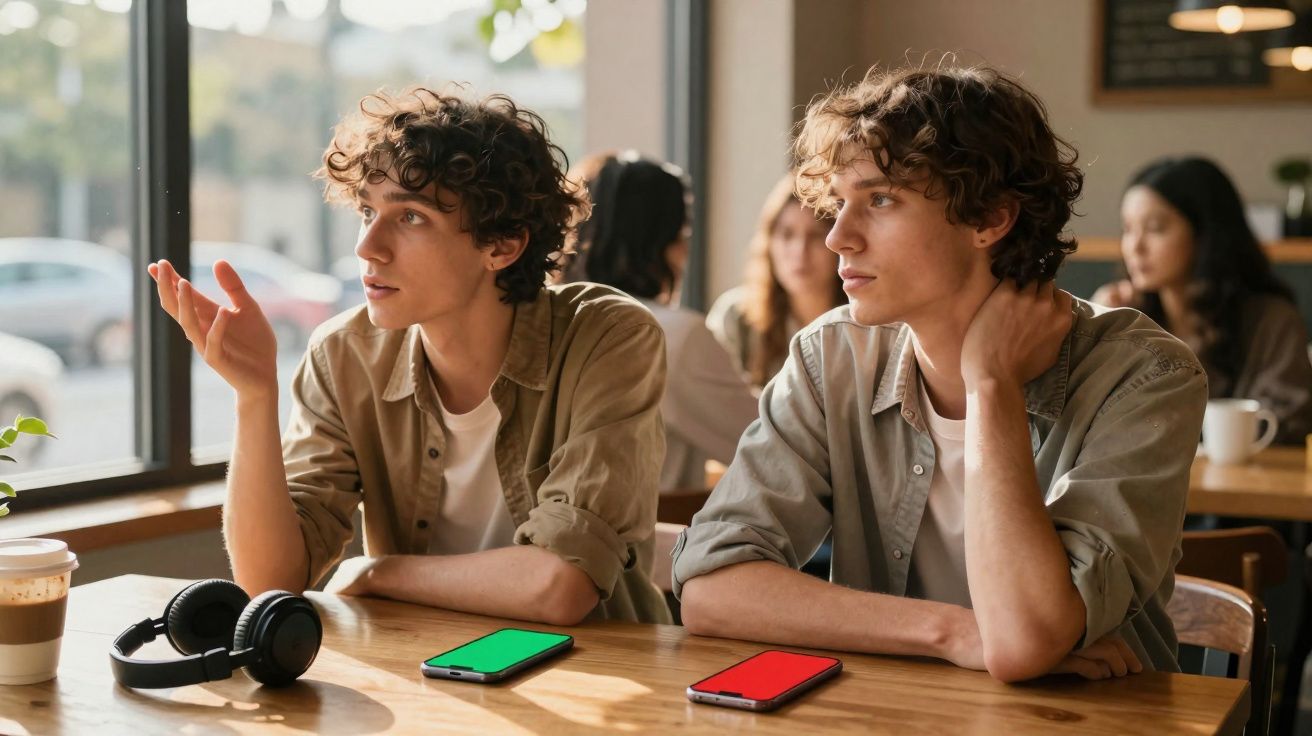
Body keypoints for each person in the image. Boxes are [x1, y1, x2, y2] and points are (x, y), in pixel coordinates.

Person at [672, 65, 1209, 682]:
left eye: (880, 200)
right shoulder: (832, 357)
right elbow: (709, 589)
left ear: (990, 219)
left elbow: (1025, 639)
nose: (838, 238)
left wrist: (991, 386)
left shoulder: (1144, 375)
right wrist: (951, 632)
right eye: (839, 204)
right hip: (892, 718)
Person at [147, 87, 671, 625]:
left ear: (502, 245)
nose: (367, 247)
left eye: (411, 217)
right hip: (429, 669)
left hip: (601, 670)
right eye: (367, 211)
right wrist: (254, 394)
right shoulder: (343, 355)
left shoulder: (609, 337)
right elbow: (269, 581)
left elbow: (561, 585)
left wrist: (380, 573)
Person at [563, 151, 758, 491]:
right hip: (652, 540)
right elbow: (774, 448)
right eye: (682, 234)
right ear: (663, 242)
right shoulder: (670, 335)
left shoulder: (550, 320)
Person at [1093, 156, 1312, 444]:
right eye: (1128, 229)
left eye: (1155, 228)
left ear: (1205, 234)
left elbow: (1286, 423)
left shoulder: (1272, 320)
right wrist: (1098, 330)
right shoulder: (1127, 318)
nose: (1134, 246)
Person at [706, 175, 843, 390]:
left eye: (816, 235)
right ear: (768, 243)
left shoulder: (866, 323)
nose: (800, 252)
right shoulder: (736, 317)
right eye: (787, 235)